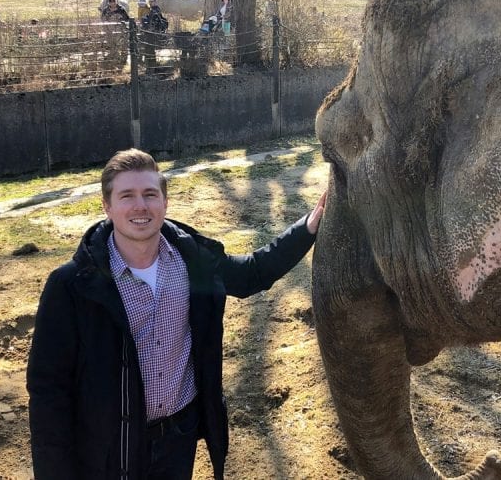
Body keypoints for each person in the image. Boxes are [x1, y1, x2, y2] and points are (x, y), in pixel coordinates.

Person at [27, 148, 326, 479]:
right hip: (109, 448)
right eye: (127, 195)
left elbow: (251, 274)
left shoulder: (192, 261)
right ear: (107, 207)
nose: (140, 205)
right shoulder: (71, 285)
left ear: (165, 203)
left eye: (150, 194)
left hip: (177, 439)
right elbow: (48, 391)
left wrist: (308, 226)